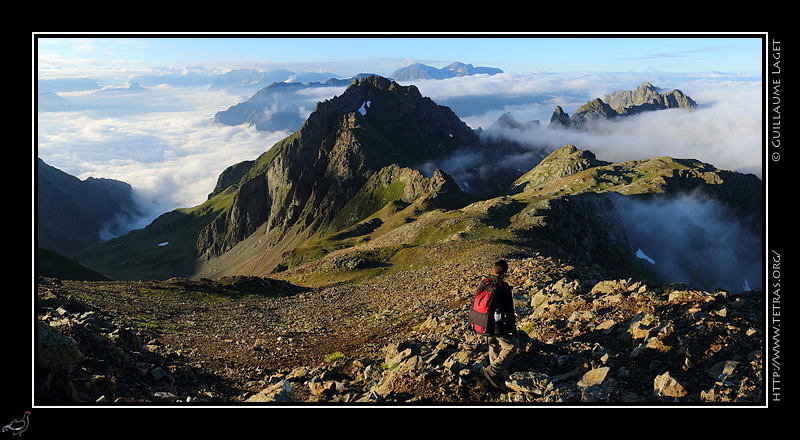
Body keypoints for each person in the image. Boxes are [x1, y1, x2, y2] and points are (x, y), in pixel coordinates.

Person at [470, 260, 518, 390]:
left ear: (493, 270)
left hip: (481, 323)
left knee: (493, 343)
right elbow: (509, 311)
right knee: (512, 345)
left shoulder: (484, 283)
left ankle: (495, 375)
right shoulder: (503, 287)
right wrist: (512, 328)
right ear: (505, 272)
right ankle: (493, 371)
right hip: (495, 324)